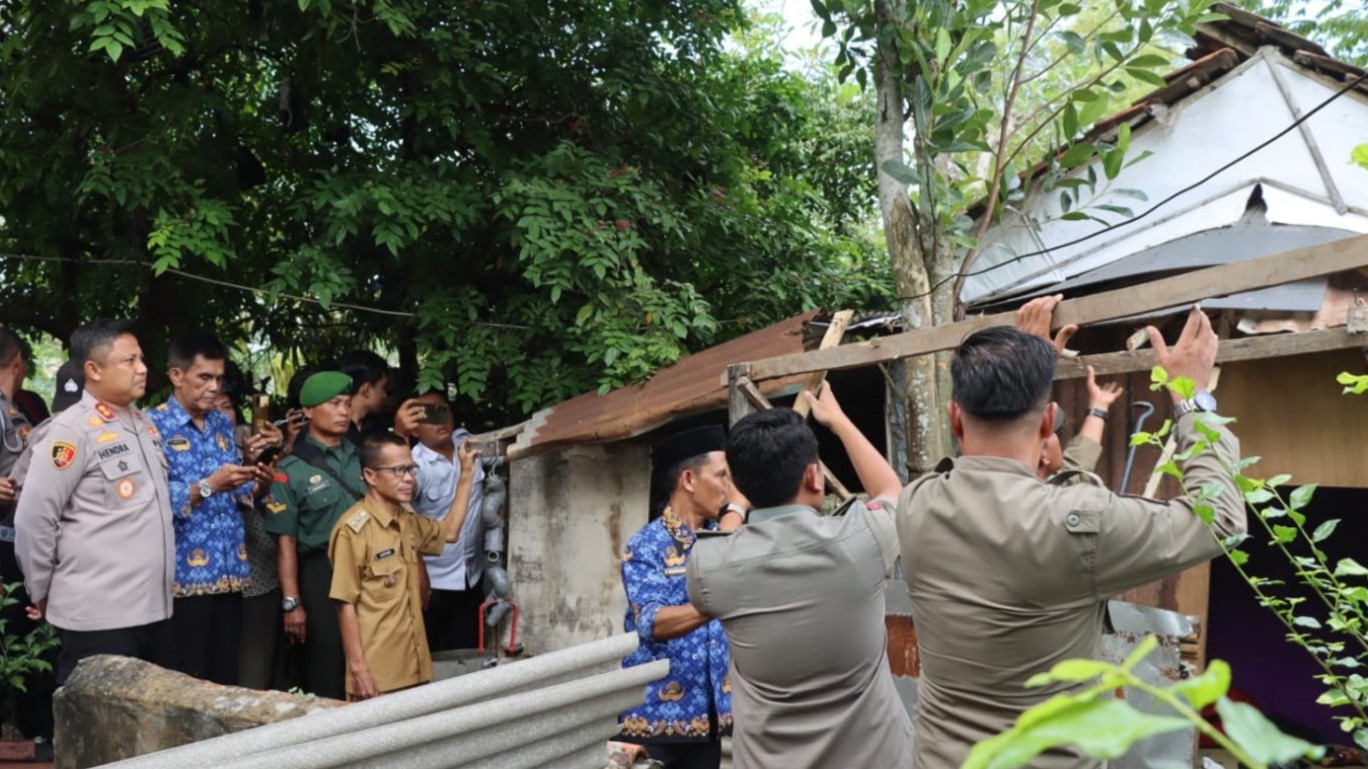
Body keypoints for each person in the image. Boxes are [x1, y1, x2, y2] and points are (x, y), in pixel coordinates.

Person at [895, 304, 1247, 769]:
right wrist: (1191, 396)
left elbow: (1004, 492)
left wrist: (1030, 362)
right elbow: (1220, 519)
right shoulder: (1079, 524)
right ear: (1049, 422)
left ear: (955, 417)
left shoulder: (915, 504)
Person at [687, 384, 912, 769]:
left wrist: (737, 506)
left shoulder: (709, 567)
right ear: (814, 476)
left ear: (739, 486)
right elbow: (892, 489)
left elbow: (722, 547)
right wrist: (839, 422)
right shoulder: (861, 541)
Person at [15, 319, 177, 685]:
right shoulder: (70, 431)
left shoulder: (144, 425)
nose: (143, 368)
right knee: (97, 732)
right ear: (93, 369)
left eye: (141, 358)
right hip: (99, 618)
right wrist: (40, 591)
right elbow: (33, 521)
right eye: (129, 361)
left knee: (151, 735)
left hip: (154, 611)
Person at [148, 332, 275, 685]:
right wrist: (209, 485)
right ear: (176, 376)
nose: (214, 387)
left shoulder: (222, 424)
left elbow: (236, 494)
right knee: (184, 681)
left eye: (219, 378)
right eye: (204, 377)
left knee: (224, 677)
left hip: (231, 572)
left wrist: (256, 480)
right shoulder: (151, 426)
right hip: (183, 580)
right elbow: (151, 499)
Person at [617, 425, 743, 769]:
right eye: (721, 476)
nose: (730, 489)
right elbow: (652, 622)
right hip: (652, 724)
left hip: (709, 722)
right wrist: (716, 602)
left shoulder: (721, 538)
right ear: (689, 480)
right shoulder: (646, 544)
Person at [328, 433, 479, 699]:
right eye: (399, 470)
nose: (409, 478)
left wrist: (466, 474)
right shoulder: (352, 531)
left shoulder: (407, 520)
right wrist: (359, 670)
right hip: (378, 677)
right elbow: (344, 603)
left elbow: (451, 532)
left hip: (415, 669)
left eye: (411, 469)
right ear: (371, 476)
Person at [262, 370, 363, 700]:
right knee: (328, 661)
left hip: (370, 567)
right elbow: (286, 543)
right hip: (323, 573)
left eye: (348, 404)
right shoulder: (290, 471)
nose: (343, 411)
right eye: (334, 404)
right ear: (307, 411)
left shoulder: (363, 457)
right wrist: (293, 603)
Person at [396, 389, 491, 651]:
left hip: (471, 577)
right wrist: (399, 434)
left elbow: (507, 450)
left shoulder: (469, 444)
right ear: (414, 429)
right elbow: (399, 490)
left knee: (468, 656)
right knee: (431, 661)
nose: (440, 421)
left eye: (443, 410)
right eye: (427, 415)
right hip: (432, 582)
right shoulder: (414, 464)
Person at [0, 328, 43, 745]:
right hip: (1, 541)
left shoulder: (19, 411)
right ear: (19, 363)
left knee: (20, 640)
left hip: (17, 540)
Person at [334, 350, 390, 447]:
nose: (384, 395)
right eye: (383, 388)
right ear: (366, 390)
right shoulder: (331, 429)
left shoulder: (377, 427)